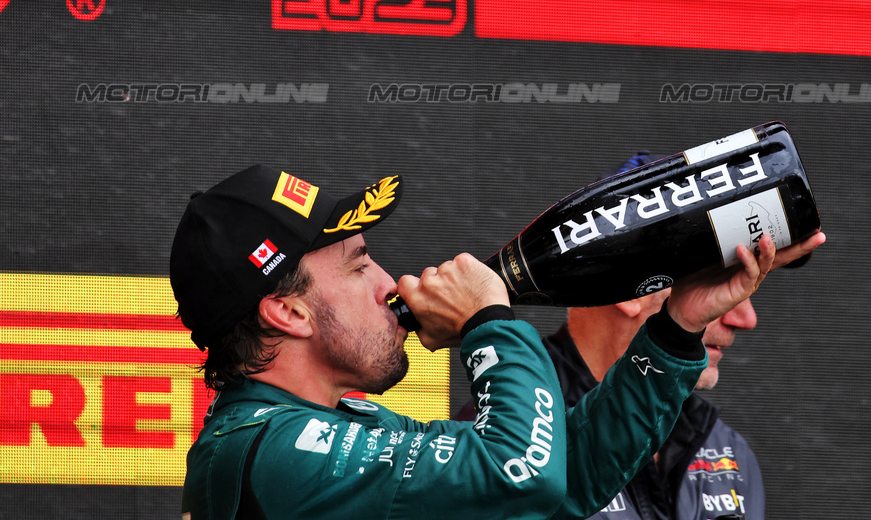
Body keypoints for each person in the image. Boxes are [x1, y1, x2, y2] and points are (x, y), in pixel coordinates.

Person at [169, 165, 822, 520]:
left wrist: (676, 329)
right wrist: (492, 319)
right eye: (359, 263)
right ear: (289, 313)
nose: (389, 281)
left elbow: (564, 484)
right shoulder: (270, 452)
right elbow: (525, 474)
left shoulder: (327, 425)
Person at [461, 152, 772, 520]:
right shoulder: (500, 432)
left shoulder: (729, 454)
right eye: (715, 280)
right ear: (632, 291)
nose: (746, 317)